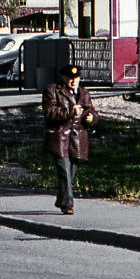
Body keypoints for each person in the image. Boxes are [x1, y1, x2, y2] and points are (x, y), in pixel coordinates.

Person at [42, 64, 98, 215]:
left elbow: (92, 111)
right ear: (64, 78)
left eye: (76, 78)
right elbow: (49, 111)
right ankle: (68, 204)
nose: (74, 81)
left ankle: (61, 198)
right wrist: (70, 112)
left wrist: (91, 118)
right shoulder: (53, 91)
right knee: (64, 171)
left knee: (71, 172)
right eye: (70, 78)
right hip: (59, 137)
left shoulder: (84, 92)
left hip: (78, 139)